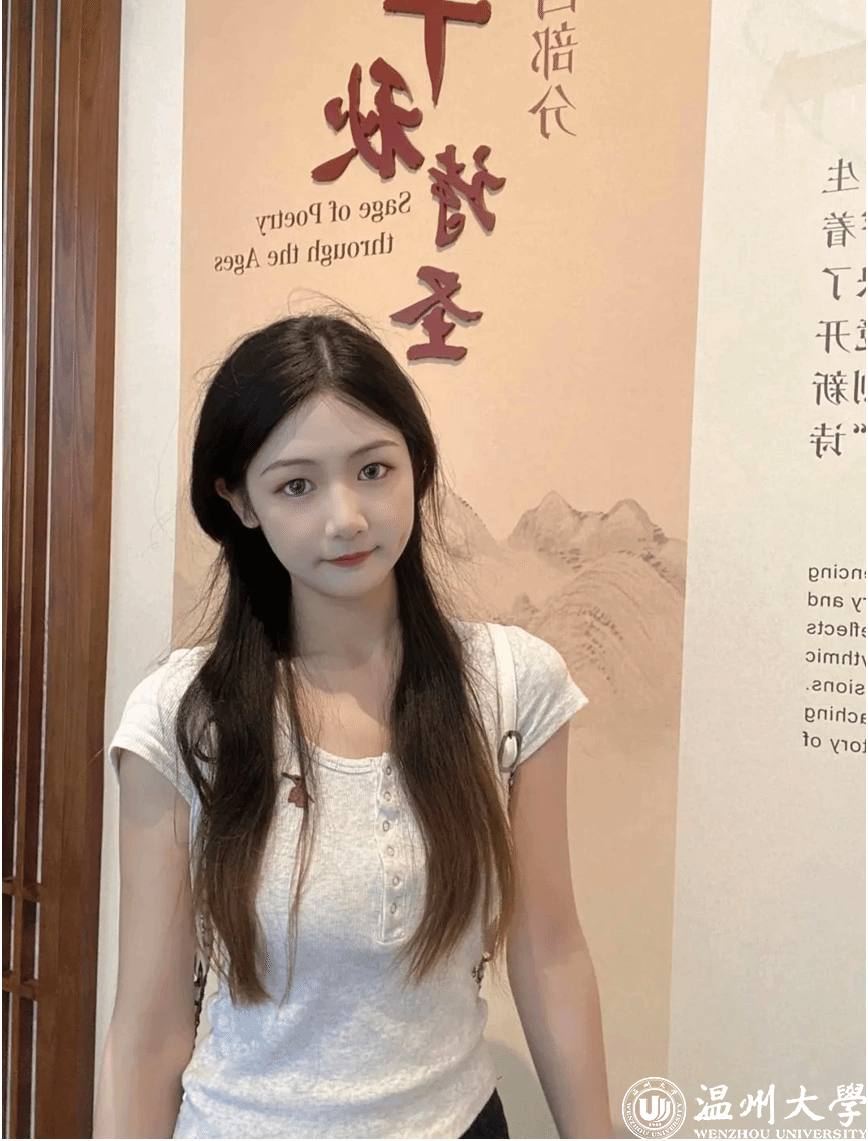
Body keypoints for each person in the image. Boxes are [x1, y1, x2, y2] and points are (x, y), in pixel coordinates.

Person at [94, 312, 612, 1140]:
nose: (347, 518)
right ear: (241, 501)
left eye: (374, 469)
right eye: (296, 486)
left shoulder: (514, 685)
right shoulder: (182, 716)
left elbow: (550, 951)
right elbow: (147, 1034)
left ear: (417, 467)